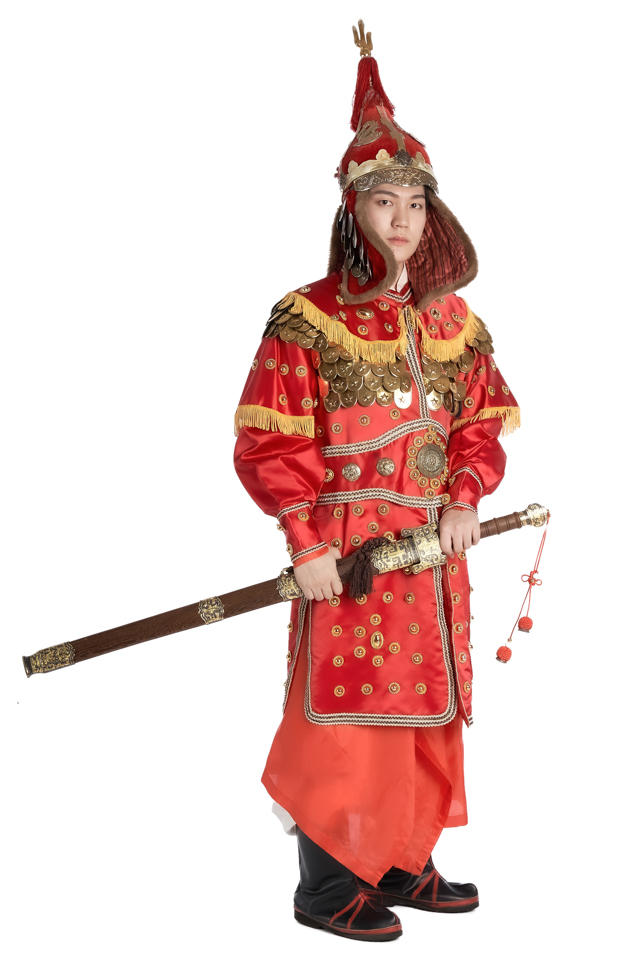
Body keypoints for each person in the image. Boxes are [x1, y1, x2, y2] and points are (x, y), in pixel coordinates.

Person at [234, 22, 520, 942]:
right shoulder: (307, 317)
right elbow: (270, 442)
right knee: (345, 715)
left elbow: (480, 418)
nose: (402, 218)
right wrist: (305, 544)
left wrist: (467, 493)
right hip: (351, 552)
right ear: (352, 209)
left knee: (428, 705)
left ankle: (401, 859)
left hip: (435, 556)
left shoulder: (454, 321)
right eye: (383, 200)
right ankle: (327, 885)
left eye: (416, 202)